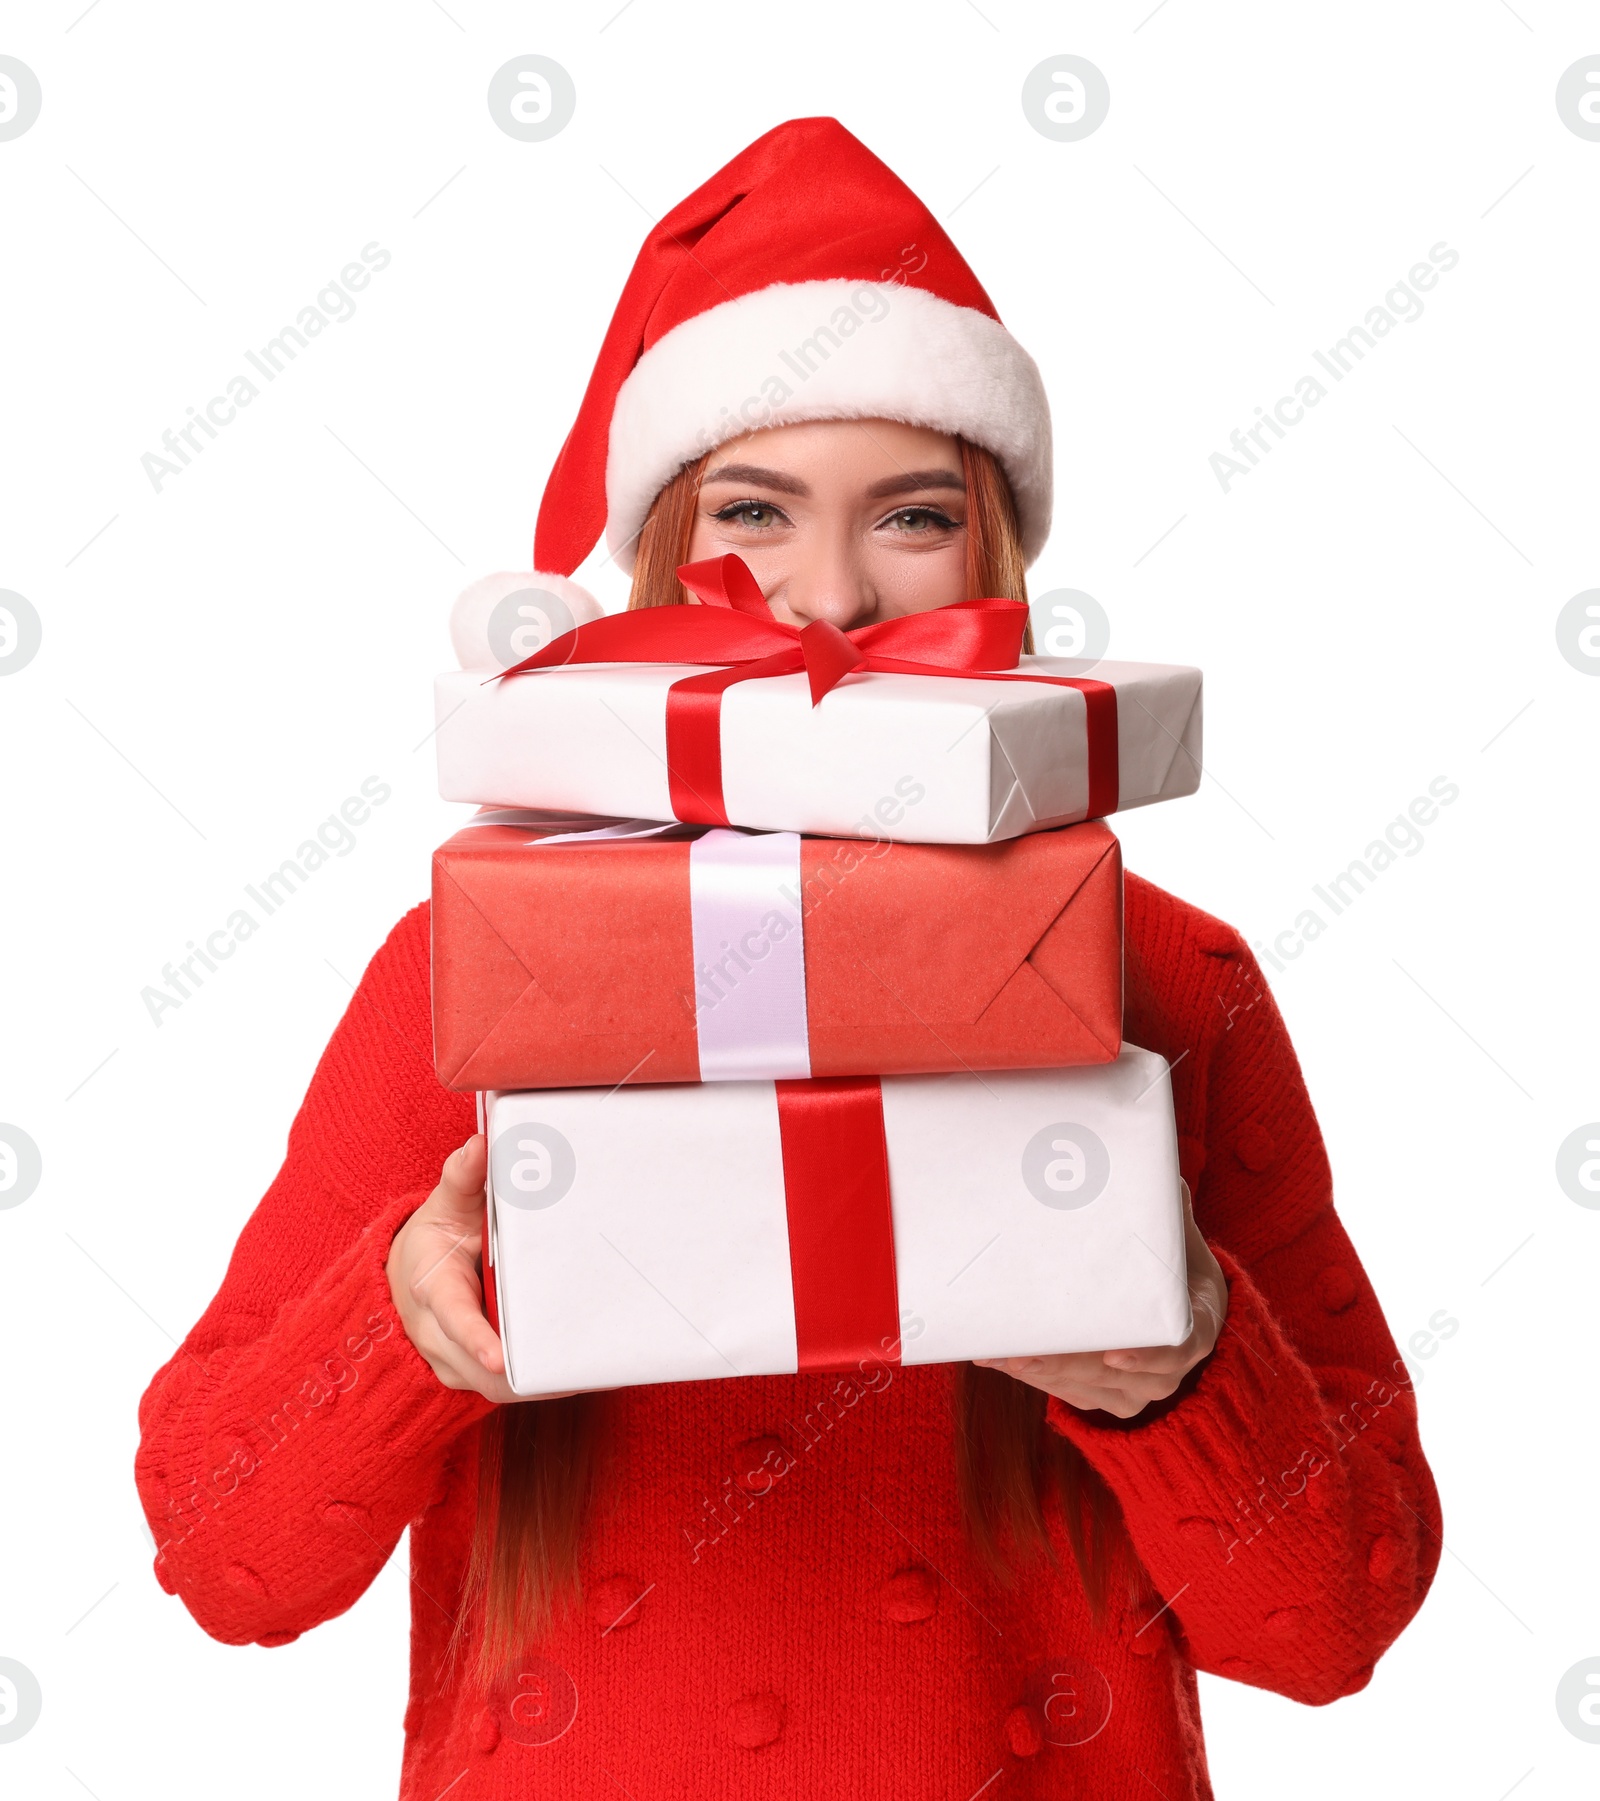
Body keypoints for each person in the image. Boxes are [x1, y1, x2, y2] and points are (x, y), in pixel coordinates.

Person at [135, 118, 1440, 1800]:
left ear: (1000, 565)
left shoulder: (1169, 980)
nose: (831, 598)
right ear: (660, 558)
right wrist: (409, 1323)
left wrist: (1186, 1362)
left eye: (913, 514)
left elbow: (1335, 1627)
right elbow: (230, 1565)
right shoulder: (479, 970)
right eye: (757, 509)